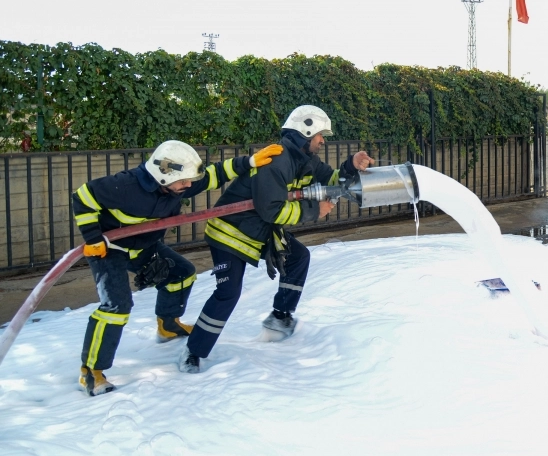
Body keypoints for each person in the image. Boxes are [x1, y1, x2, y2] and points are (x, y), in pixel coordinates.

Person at [73, 140, 283, 395]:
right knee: (117, 306)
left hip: (144, 246)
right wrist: (92, 238)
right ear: (164, 175)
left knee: (182, 275)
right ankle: (91, 371)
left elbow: (214, 175)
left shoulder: (175, 187)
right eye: (184, 181)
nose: (189, 186)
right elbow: (83, 196)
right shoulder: (125, 186)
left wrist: (249, 162)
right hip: (108, 249)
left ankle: (168, 325)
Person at [178, 105, 375, 373]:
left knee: (299, 257)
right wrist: (314, 211)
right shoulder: (277, 160)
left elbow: (332, 180)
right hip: (231, 234)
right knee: (228, 293)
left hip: (260, 232)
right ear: (305, 132)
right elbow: (271, 210)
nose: (322, 141)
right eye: (320, 135)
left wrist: (351, 165)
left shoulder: (306, 160)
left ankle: (280, 317)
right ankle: (193, 352)